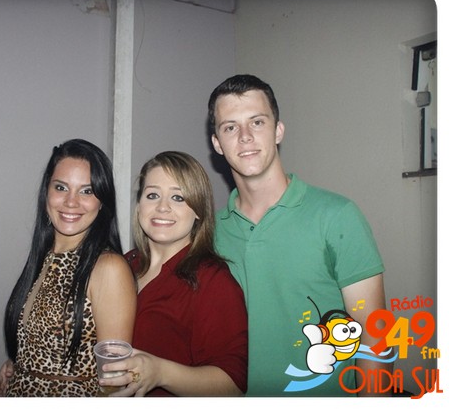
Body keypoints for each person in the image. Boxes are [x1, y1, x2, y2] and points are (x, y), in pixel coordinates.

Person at [207, 74, 390, 396]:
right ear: (217, 144)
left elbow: (375, 334)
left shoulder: (337, 216)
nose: (245, 137)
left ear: (278, 131)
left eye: (257, 122)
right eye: (230, 127)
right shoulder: (211, 233)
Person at [0, 138, 137, 397]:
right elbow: (46, 344)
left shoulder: (108, 268)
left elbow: (114, 382)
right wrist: (20, 365)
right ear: (46, 192)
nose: (71, 202)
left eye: (87, 191)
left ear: (102, 201)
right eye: (61, 187)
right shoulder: (45, 257)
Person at [99, 151, 248, 396]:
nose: (162, 207)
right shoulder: (124, 264)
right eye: (152, 195)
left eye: (178, 197)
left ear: (198, 210)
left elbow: (232, 385)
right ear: (139, 205)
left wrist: (160, 372)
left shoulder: (214, 281)